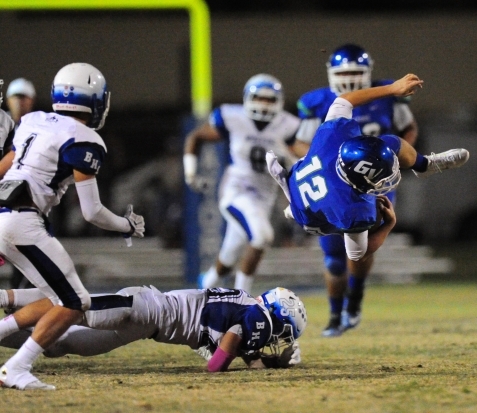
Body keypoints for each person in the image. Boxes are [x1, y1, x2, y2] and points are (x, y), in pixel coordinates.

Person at [267, 73, 469, 337]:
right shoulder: (353, 210)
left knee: (390, 143)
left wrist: (392, 89)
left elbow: (344, 99)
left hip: (308, 179)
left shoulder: (333, 138)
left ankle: (426, 165)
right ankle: (338, 314)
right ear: (358, 186)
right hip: (313, 216)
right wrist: (389, 225)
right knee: (338, 259)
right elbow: (357, 253)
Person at [0, 63, 145, 391]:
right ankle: (16, 367)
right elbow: (92, 211)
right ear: (96, 101)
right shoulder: (85, 139)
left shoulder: (32, 121)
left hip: (5, 216)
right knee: (75, 301)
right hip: (23, 222)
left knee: (53, 295)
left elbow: (4, 168)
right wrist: (126, 226)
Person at [293, 44, 421, 337]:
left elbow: (408, 130)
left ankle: (355, 301)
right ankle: (337, 312)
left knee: (360, 247)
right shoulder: (317, 102)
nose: (350, 78)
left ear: (367, 73)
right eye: (344, 73)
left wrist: (401, 158)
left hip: (375, 182)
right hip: (334, 182)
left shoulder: (386, 94)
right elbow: (299, 143)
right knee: (334, 257)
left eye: (355, 72)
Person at [183, 74, 307, 293]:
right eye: (259, 98)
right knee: (261, 236)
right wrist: (190, 172)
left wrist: (304, 159)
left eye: (270, 99)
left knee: (228, 256)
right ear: (247, 98)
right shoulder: (233, 117)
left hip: (263, 198)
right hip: (236, 191)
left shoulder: (287, 125)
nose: (264, 104)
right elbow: (196, 136)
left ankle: (203, 288)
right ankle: (243, 298)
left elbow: (306, 154)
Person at [0, 286, 306, 372]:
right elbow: (217, 363)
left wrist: (274, 363)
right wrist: (270, 360)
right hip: (146, 309)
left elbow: (242, 352)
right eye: (282, 332)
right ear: (276, 316)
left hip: (145, 325)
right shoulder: (256, 317)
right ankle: (5, 302)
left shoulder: (245, 308)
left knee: (57, 344)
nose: (276, 339)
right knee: (70, 306)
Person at [4, 78, 37, 289]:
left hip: (26, 198)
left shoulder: (38, 126)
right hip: (3, 194)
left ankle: (18, 304)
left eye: (24, 98)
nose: (20, 103)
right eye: (16, 98)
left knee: (25, 255)